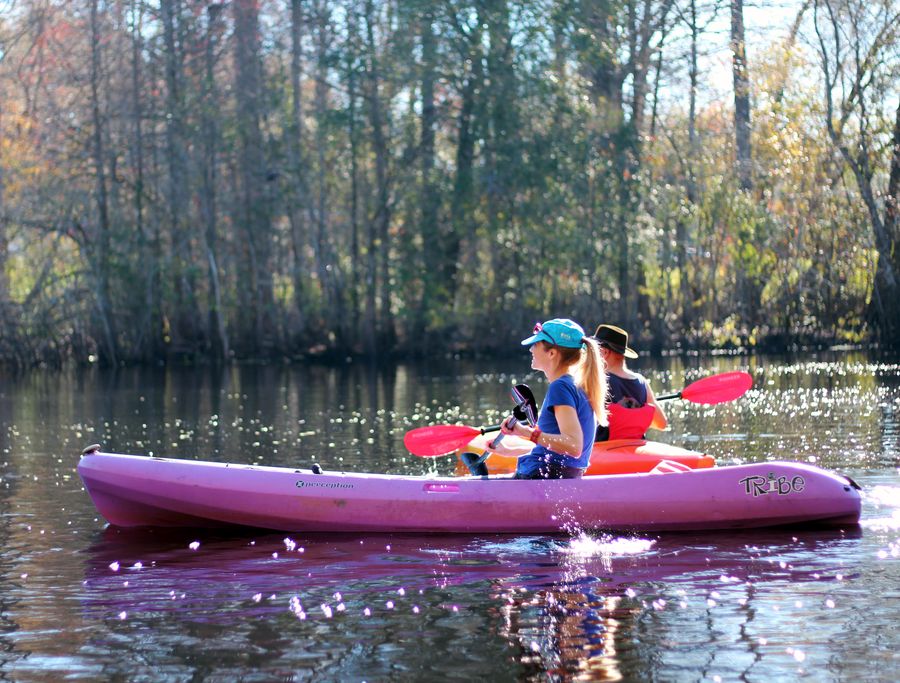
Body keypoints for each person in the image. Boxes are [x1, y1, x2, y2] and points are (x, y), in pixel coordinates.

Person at [494, 318, 608, 479]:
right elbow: (552, 449)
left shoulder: (560, 387)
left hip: (542, 478)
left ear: (552, 353)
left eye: (535, 344)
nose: (531, 350)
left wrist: (526, 432)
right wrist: (507, 451)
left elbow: (573, 446)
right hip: (556, 476)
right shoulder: (578, 385)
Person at [592, 324, 667, 440]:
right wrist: (634, 417)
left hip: (605, 452)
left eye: (594, 350)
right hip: (635, 451)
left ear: (604, 353)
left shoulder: (598, 381)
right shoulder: (642, 382)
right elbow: (661, 423)